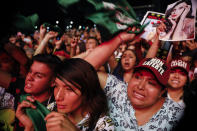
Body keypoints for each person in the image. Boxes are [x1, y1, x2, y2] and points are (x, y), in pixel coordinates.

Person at [84, 27, 184, 130]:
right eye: (137, 77)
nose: (140, 86)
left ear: (162, 91)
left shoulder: (175, 113)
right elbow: (82, 68)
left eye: (151, 83)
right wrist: (120, 38)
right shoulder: (118, 91)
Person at [16, 58, 114, 131]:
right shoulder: (51, 109)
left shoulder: (103, 124)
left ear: (87, 91)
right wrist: (30, 127)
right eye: (56, 86)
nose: (58, 97)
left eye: (69, 89)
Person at [15, 54, 61, 130]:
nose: (29, 77)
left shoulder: (58, 110)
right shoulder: (22, 97)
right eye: (30, 71)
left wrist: (29, 127)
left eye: (38, 76)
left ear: (53, 82)